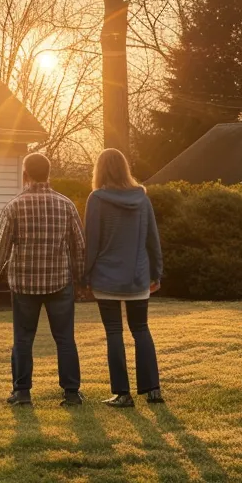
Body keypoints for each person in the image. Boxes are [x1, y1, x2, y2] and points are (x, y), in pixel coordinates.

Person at [0, 151, 87, 407]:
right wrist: (80, 279)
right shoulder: (66, 205)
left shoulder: (14, 207)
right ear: (48, 174)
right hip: (59, 282)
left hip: (24, 285)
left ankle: (22, 392)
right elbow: (79, 247)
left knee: (23, 338)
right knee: (64, 338)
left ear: (25, 175)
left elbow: (0, 249)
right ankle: (71, 392)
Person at [84, 148, 164, 408]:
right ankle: (153, 390)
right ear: (125, 168)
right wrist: (157, 272)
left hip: (106, 276)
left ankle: (122, 393)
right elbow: (153, 239)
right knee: (141, 330)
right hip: (137, 275)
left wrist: (84, 274)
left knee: (114, 332)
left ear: (100, 170)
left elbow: (92, 242)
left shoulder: (96, 199)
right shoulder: (142, 198)